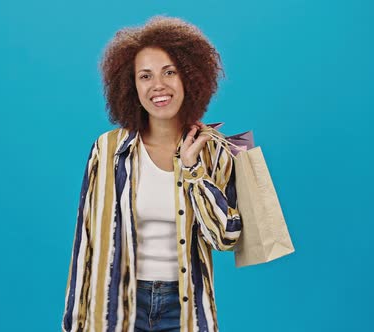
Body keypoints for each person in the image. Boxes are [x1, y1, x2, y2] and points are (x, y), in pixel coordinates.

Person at [61, 15, 243, 332]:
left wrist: (193, 170)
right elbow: (85, 246)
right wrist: (72, 325)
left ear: (189, 76)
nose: (157, 85)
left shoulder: (213, 151)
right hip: (115, 307)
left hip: (184, 309)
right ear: (132, 86)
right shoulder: (108, 150)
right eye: (145, 76)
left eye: (169, 72)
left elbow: (225, 237)